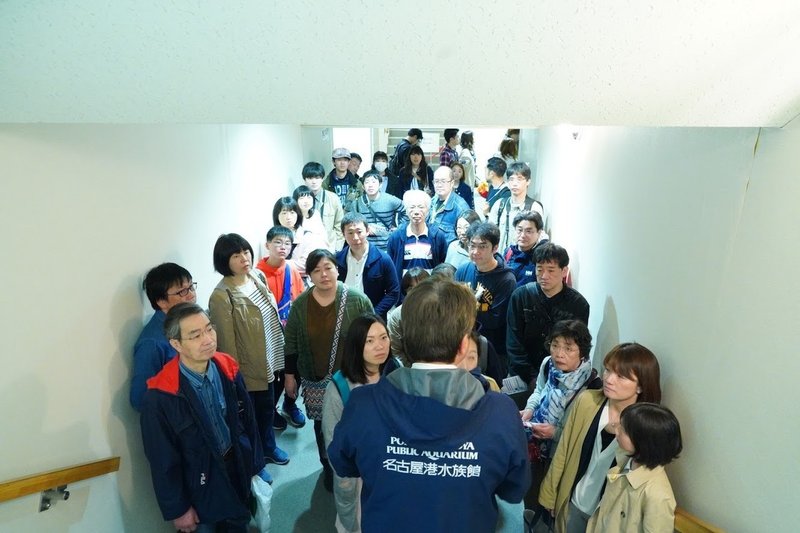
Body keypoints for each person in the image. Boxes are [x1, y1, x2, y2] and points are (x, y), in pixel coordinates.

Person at [328, 277, 530, 532]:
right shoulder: (501, 412)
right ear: (463, 346)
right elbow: (514, 488)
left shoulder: (362, 404)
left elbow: (343, 463)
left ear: (404, 341)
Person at [141, 303, 268, 532]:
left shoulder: (227, 368)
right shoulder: (160, 397)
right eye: (196, 335)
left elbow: (248, 421)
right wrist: (178, 509)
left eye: (209, 329)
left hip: (237, 464)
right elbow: (162, 460)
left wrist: (255, 465)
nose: (208, 339)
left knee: (239, 523)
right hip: (199, 481)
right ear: (176, 344)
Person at [539, 343, 662, 533]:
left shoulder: (646, 427)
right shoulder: (588, 401)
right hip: (573, 501)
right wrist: (549, 494)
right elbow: (563, 450)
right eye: (608, 370)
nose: (609, 379)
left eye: (620, 376)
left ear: (640, 386)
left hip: (608, 518)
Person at [283, 249, 374, 491]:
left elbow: (372, 335)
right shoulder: (301, 304)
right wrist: (290, 376)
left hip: (352, 378)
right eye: (316, 270)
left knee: (356, 422)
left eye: (328, 267)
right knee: (323, 427)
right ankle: (329, 465)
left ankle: (358, 466)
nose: (324, 274)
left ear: (337, 269)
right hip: (315, 379)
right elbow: (291, 341)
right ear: (309, 275)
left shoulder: (356, 299)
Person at [208, 233, 290, 470]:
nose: (244, 258)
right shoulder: (222, 296)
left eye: (245, 252)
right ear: (224, 261)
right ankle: (258, 460)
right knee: (253, 416)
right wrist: (236, 379)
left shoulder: (256, 276)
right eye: (236, 255)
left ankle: (267, 447)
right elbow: (226, 344)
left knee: (268, 408)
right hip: (250, 368)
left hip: (272, 355)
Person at [322, 314, 402, 533]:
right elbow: (332, 442)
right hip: (356, 475)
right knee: (356, 522)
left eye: (383, 337)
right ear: (356, 346)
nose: (380, 346)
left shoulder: (398, 375)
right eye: (370, 340)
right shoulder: (340, 387)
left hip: (393, 469)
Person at [519, 320, 600, 506]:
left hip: (559, 454)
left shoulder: (591, 385)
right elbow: (539, 390)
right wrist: (530, 409)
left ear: (583, 352)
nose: (558, 354)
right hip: (534, 441)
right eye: (555, 345)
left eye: (568, 348)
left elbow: (583, 434)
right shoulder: (548, 364)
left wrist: (555, 433)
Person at [506, 243, 589, 394]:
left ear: (564, 271)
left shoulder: (578, 304)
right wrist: (531, 378)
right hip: (522, 376)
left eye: (551, 270)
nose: (544, 276)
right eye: (539, 269)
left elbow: (578, 347)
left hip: (561, 380)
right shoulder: (521, 296)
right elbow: (513, 343)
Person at [586, 403, 682, 533]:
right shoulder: (625, 461)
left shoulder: (657, 496)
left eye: (623, 430)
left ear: (644, 442)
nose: (616, 429)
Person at [256, 225, 307, 430]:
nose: (282, 247)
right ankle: (273, 410)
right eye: (277, 242)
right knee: (276, 376)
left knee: (296, 370)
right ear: (267, 245)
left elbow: (300, 298)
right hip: (270, 335)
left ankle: (290, 404)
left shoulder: (291, 269)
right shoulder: (257, 274)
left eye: (287, 243)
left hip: (292, 332)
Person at [131, 262, 197, 411]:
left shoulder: (189, 322)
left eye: (191, 287)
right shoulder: (152, 343)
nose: (191, 295)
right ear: (161, 301)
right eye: (182, 292)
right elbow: (140, 399)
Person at [454, 222, 516, 373]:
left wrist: (467, 308)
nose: (475, 251)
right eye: (472, 245)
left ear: (495, 248)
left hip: (493, 348)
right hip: (464, 343)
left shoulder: (506, 280)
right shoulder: (463, 270)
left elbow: (495, 319)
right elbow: (453, 307)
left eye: (482, 246)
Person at [335, 212, 400, 319]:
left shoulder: (383, 259)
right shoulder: (337, 259)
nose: (355, 237)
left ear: (367, 231)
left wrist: (374, 314)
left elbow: (393, 292)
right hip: (344, 317)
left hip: (374, 318)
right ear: (343, 234)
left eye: (359, 232)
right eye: (350, 233)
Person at [386, 189, 449, 283]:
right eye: (412, 207)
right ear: (406, 210)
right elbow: (390, 267)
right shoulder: (396, 237)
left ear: (428, 210)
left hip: (430, 290)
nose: (416, 212)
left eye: (421, 207)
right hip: (405, 293)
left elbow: (442, 266)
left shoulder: (437, 236)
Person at [271, 194, 329, 279]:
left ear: (298, 214)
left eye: (292, 212)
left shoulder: (308, 236)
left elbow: (305, 266)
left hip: (301, 283)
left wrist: (277, 262)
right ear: (277, 216)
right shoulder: (272, 237)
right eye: (284, 213)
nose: (288, 217)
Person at [346, 170, 406, 252]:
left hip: (387, 246)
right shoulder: (356, 203)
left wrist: (399, 228)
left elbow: (406, 210)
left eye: (374, 182)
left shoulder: (390, 200)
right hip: (364, 247)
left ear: (380, 185)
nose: (370, 185)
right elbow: (350, 223)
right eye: (367, 182)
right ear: (363, 186)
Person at [490, 162, 544, 251]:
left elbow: (539, 238)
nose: (515, 183)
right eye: (511, 179)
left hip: (524, 260)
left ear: (528, 181)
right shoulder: (499, 204)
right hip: (501, 259)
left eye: (519, 179)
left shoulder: (534, 207)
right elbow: (490, 234)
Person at [386, 267, 431, 365]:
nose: (417, 292)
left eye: (421, 286)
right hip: (408, 371)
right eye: (411, 288)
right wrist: (411, 372)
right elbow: (396, 352)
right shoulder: (397, 316)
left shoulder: (441, 311)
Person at [303, 161, 345, 251]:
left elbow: (340, 225)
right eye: (310, 178)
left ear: (322, 179)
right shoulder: (300, 199)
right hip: (307, 249)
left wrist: (337, 249)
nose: (314, 182)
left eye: (317, 177)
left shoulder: (333, 198)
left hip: (329, 248)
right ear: (305, 180)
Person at [504, 211, 549, 287]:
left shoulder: (542, 257)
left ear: (539, 233)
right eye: (519, 230)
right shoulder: (509, 252)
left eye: (528, 231)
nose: (523, 235)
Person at [428, 165, 469, 244]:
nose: (439, 185)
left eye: (443, 181)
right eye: (436, 181)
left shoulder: (461, 207)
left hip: (448, 255)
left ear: (452, 183)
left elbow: (468, 239)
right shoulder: (431, 202)